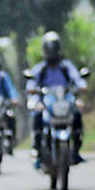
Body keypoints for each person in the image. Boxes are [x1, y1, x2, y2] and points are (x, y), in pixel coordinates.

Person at [25, 30, 87, 164]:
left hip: (64, 100)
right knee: (37, 113)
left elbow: (77, 78)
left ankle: (76, 149)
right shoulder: (40, 69)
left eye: (54, 48)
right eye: (49, 48)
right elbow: (31, 82)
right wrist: (31, 88)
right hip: (47, 101)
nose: (51, 52)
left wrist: (82, 85)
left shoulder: (66, 66)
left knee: (77, 112)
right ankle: (37, 147)